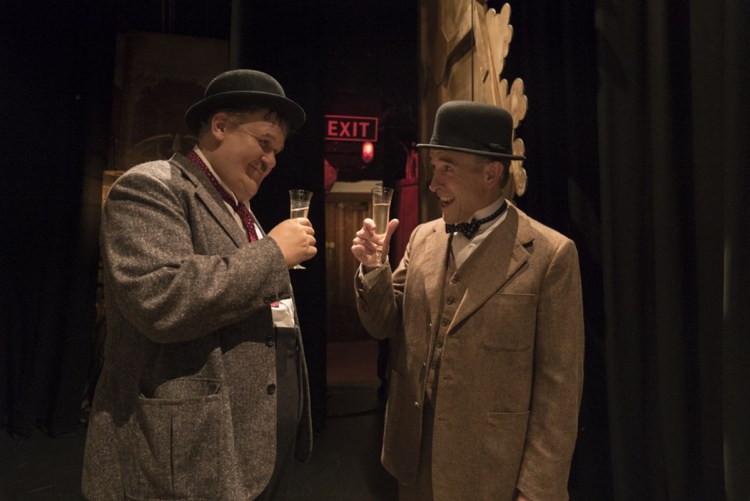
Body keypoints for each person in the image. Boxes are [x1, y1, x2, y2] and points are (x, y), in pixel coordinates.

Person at [82, 69, 317, 500]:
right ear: (220, 125)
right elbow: (161, 299)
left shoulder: (240, 209)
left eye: (277, 151)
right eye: (264, 143)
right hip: (183, 459)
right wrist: (273, 253)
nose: (271, 160)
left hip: (248, 444)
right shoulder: (152, 187)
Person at [351, 100, 584, 500]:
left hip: (492, 473)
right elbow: (382, 324)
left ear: (491, 173)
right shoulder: (423, 237)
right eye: (434, 167)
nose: (433, 183)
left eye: (447, 168)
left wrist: (538, 489)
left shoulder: (550, 255)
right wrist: (375, 269)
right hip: (414, 464)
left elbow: (559, 392)